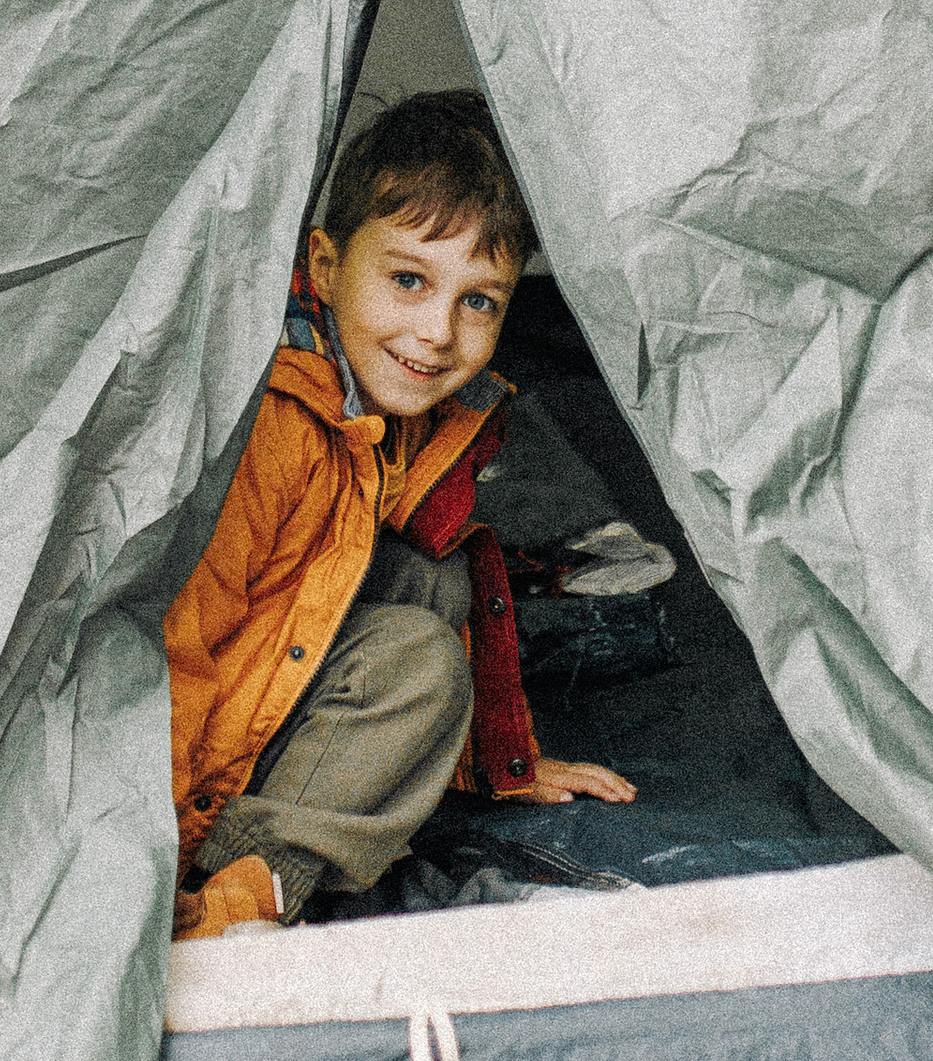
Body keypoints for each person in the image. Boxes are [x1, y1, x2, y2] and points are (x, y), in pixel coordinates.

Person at [166, 89, 636, 937]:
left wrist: (490, 757)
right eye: (410, 280)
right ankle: (240, 899)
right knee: (419, 654)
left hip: (272, 675)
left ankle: (290, 842)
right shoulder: (272, 426)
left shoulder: (407, 413)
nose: (437, 333)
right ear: (324, 265)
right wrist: (143, 857)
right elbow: (177, 651)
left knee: (431, 575)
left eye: (479, 300)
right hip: (186, 763)